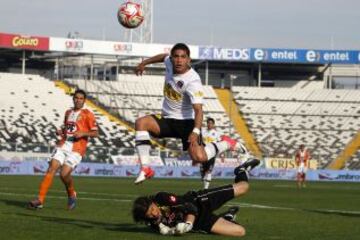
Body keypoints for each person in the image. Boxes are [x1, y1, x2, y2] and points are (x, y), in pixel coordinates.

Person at [133, 43, 246, 184]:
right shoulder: (169, 62)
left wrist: (196, 131)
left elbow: (198, 110)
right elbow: (163, 57)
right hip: (168, 119)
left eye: (183, 57)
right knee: (141, 123)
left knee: (199, 157)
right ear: (172, 58)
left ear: (188, 60)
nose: (179, 60)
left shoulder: (193, 81)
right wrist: (144, 63)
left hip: (186, 123)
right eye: (176, 56)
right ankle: (146, 169)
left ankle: (228, 143)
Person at [132, 158, 260, 237]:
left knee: (243, 187)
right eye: (149, 215)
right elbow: (168, 229)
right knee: (240, 232)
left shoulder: (161, 198)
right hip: (200, 221)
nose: (154, 214)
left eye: (152, 209)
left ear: (152, 203)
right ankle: (227, 216)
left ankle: (241, 170)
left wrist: (188, 224)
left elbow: (189, 207)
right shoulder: (153, 223)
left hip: (200, 201)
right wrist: (173, 231)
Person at [28, 89, 98, 210]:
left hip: (77, 148)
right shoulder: (68, 112)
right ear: (73, 98)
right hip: (63, 145)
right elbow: (68, 129)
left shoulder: (88, 114)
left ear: (84, 101)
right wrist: (61, 132)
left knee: (64, 174)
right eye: (76, 97)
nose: (78, 100)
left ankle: (71, 194)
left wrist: (83, 133)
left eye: (81, 98)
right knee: (51, 169)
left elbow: (96, 133)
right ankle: (40, 200)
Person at [200, 117, 221, 189]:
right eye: (208, 123)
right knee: (203, 172)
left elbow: (219, 144)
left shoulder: (216, 133)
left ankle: (205, 189)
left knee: (209, 171)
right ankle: (204, 182)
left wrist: (222, 154)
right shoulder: (203, 132)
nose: (209, 124)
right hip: (203, 154)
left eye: (211, 123)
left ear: (213, 124)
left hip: (212, 154)